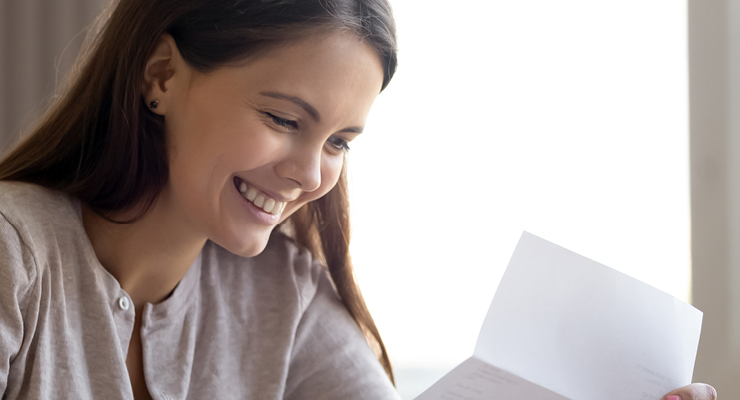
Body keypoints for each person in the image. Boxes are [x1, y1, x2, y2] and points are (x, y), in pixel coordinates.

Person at [0, 0, 718, 399]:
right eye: (284, 120)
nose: (311, 175)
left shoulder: (285, 296)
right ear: (160, 75)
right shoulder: (15, 256)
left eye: (340, 142)